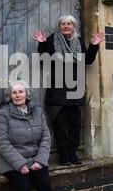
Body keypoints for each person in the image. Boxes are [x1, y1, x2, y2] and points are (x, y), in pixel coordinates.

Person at [33, 15, 104, 166]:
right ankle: (64, 155)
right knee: (60, 125)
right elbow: (44, 60)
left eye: (69, 24)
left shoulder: (78, 42)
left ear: (74, 26)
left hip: (76, 91)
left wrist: (93, 45)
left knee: (75, 126)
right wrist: (42, 44)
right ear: (59, 26)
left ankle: (73, 154)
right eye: (63, 24)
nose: (66, 26)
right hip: (57, 92)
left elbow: (87, 60)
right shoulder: (52, 40)